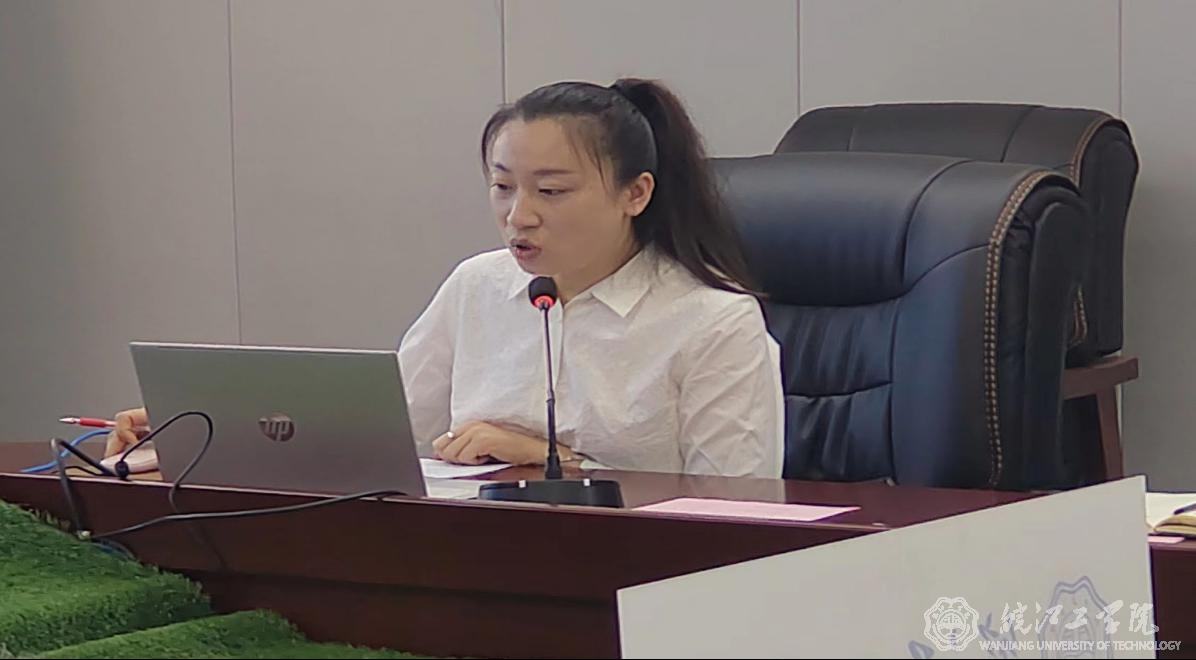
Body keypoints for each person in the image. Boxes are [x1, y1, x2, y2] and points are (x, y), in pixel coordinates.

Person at [105, 78, 784, 478]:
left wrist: (557, 464)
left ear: (636, 193)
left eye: (551, 191)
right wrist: (200, 432)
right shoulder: (478, 286)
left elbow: (741, 511)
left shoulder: (712, 321)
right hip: (467, 554)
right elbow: (375, 434)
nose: (518, 216)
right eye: (502, 186)